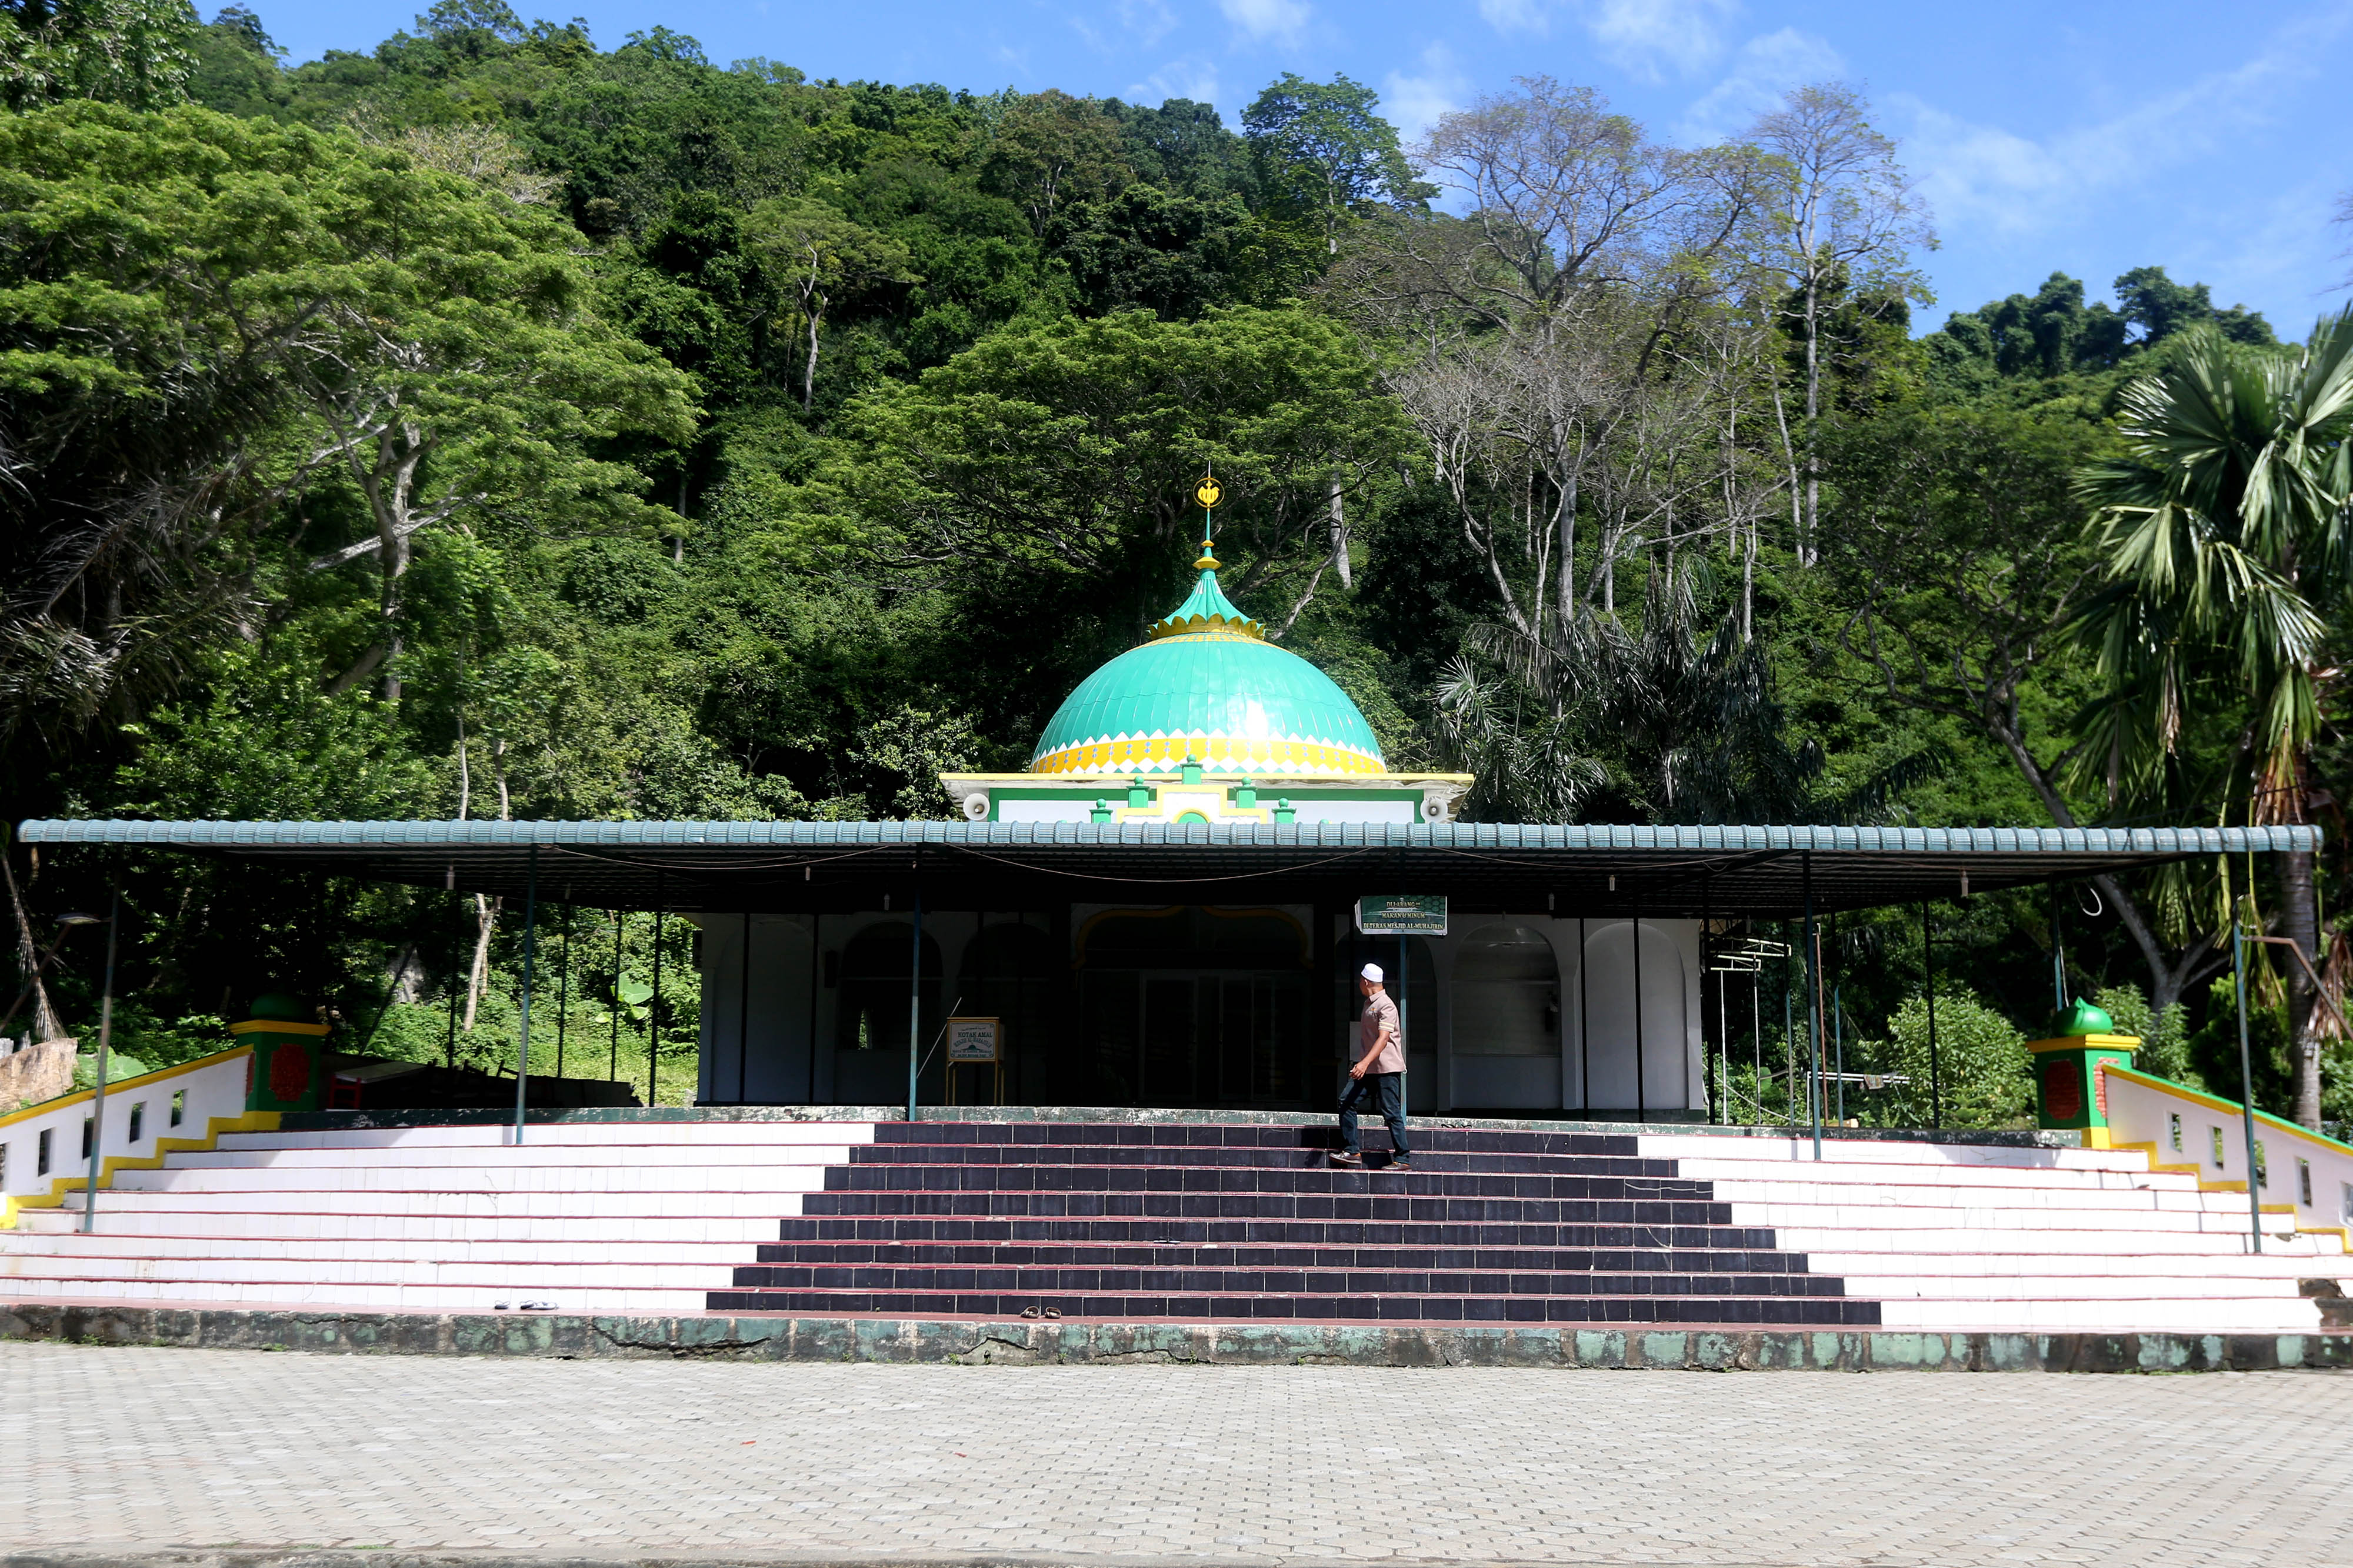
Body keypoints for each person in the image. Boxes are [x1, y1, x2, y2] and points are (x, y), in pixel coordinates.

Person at [1332, 962, 1409, 1170]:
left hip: (1386, 1069)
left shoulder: (1386, 1005)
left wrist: (1363, 1063)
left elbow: (1384, 1039)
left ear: (1365, 981)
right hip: (1369, 1069)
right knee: (1346, 1102)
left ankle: (1403, 1158)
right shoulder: (1369, 1003)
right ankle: (1352, 1151)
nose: (1359, 984)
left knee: (1391, 1112)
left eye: (1360, 981)